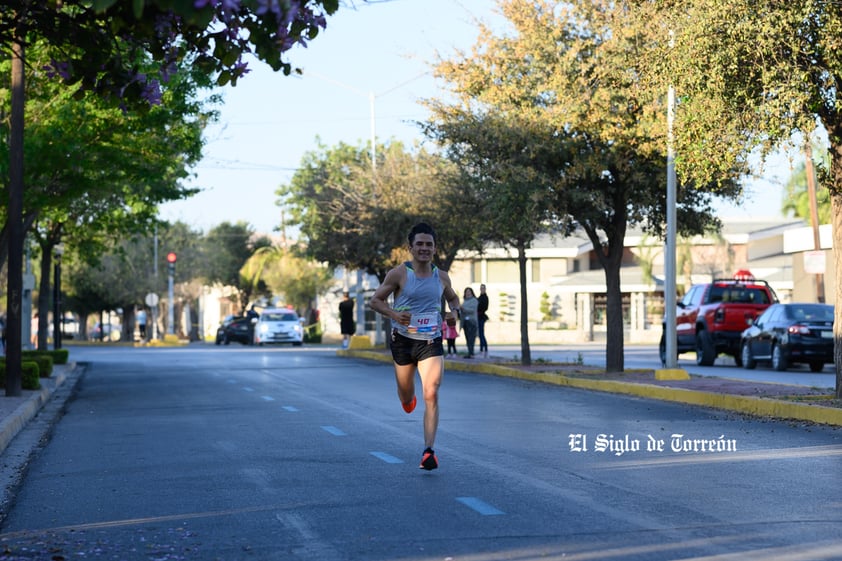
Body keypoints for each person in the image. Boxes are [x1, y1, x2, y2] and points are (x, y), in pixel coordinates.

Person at [369, 222, 460, 471]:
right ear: (410, 247)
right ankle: (407, 398)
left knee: (431, 392)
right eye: (419, 244)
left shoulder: (441, 276)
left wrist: (454, 313)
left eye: (428, 244)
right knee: (407, 395)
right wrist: (394, 315)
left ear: (434, 248)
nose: (424, 248)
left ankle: (428, 451)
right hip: (403, 341)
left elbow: (453, 298)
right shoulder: (398, 274)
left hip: (431, 341)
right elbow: (375, 301)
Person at [461, 287, 479, 358]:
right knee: (467, 338)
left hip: (472, 321)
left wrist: (463, 309)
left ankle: (472, 353)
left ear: (472, 292)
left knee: (471, 338)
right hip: (465, 321)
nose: (467, 293)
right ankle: (469, 352)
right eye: (466, 292)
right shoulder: (464, 301)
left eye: (469, 291)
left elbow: (472, 310)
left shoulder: (474, 300)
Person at [477, 283, 489, 358]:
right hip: (478, 317)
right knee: (480, 334)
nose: (482, 290)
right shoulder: (479, 297)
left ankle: (484, 350)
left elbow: (484, 307)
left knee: (481, 334)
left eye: (483, 288)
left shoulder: (485, 298)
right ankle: (482, 349)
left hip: (481, 317)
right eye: (481, 288)